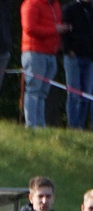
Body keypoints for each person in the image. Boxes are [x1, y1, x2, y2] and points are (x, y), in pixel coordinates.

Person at [21, 0, 69, 128]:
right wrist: (54, 30)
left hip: (51, 53)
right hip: (35, 53)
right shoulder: (31, 4)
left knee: (43, 93)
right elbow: (29, 28)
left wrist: (62, 29)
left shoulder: (56, 5)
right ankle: (31, 125)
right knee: (33, 90)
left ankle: (40, 125)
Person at [62, 0, 93, 129]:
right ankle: (73, 126)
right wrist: (68, 50)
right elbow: (63, 31)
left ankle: (80, 125)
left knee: (86, 95)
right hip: (73, 57)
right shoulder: (69, 9)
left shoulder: (91, 10)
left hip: (89, 58)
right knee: (73, 93)